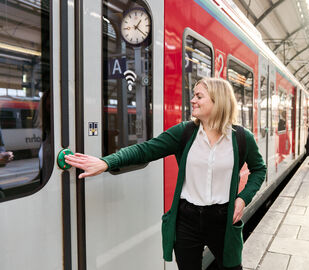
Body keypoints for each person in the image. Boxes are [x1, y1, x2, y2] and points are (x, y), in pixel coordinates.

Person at [65, 77, 266, 270]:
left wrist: (242, 199)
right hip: (187, 219)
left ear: (218, 101)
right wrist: (106, 162)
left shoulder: (241, 138)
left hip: (223, 218)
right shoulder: (185, 132)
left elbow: (259, 169)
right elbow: (146, 149)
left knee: (232, 267)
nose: (193, 100)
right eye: (194, 95)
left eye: (199, 96)